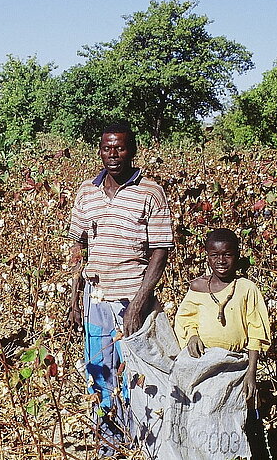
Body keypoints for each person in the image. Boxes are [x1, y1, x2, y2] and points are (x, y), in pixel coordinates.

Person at [68, 123, 174, 455]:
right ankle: (109, 443)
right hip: (94, 300)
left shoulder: (151, 192)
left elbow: (160, 252)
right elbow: (80, 250)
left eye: (120, 148)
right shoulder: (87, 191)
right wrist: (74, 299)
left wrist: (139, 302)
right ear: (99, 150)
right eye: (107, 148)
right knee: (99, 371)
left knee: (134, 375)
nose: (113, 155)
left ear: (132, 150)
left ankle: (139, 441)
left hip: (131, 299)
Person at [174, 228, 271, 409]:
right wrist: (192, 336)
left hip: (236, 366)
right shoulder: (198, 286)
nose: (221, 261)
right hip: (203, 363)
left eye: (227, 254)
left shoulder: (246, 288)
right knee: (201, 412)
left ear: (237, 255)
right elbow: (186, 318)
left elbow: (255, 332)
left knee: (233, 414)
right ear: (208, 257)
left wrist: (251, 372)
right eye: (215, 255)